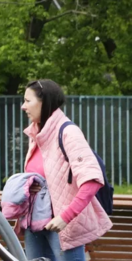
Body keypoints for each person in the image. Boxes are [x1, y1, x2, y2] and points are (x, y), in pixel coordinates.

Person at [20, 79, 111, 261]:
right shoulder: (36, 135)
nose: (23, 106)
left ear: (44, 102)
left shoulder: (68, 132)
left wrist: (65, 217)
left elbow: (92, 180)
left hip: (62, 226)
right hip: (35, 223)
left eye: (28, 101)